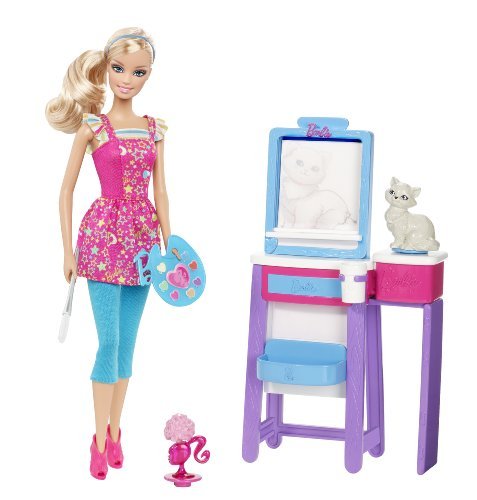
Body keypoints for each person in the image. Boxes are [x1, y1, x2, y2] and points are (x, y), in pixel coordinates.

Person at [46, 27, 170, 480]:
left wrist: (171, 246)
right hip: (101, 240)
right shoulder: (92, 127)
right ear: (106, 68)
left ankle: (116, 431)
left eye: (138, 72)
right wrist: (68, 250)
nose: (127, 79)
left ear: (149, 75)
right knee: (109, 342)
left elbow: (160, 191)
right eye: (119, 69)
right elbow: (66, 189)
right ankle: (98, 439)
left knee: (128, 345)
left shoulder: (155, 129)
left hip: (143, 245)